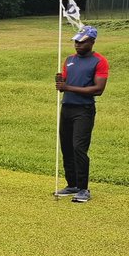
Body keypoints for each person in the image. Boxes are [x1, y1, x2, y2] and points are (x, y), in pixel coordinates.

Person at [54, 26, 108, 203]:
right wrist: (61, 82)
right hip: (67, 108)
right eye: (76, 41)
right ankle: (72, 185)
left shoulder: (99, 61)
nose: (77, 45)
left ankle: (84, 188)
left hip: (83, 110)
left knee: (79, 147)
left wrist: (67, 87)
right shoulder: (69, 60)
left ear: (92, 42)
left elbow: (98, 89)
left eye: (82, 42)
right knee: (67, 147)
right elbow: (66, 85)